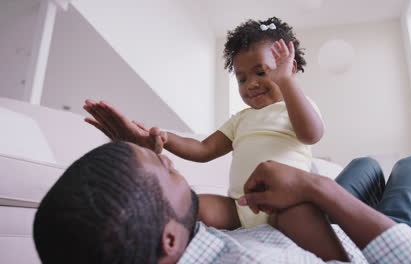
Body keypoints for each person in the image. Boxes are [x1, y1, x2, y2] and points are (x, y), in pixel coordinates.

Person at [82, 17, 343, 260]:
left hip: (286, 203)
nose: (251, 83)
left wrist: (287, 83)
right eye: (242, 78)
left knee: (304, 217)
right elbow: (203, 148)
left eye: (261, 73)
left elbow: (311, 134)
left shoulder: (295, 106)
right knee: (195, 204)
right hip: (241, 207)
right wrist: (163, 137)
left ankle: (341, 258)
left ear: (290, 68)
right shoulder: (240, 119)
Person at [34, 141, 411, 263]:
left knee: (367, 164)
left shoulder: (169, 242)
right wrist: (317, 189)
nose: (168, 160)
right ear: (167, 239)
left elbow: (184, 213)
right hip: (367, 251)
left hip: (305, 234)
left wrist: (140, 153)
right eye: (162, 169)